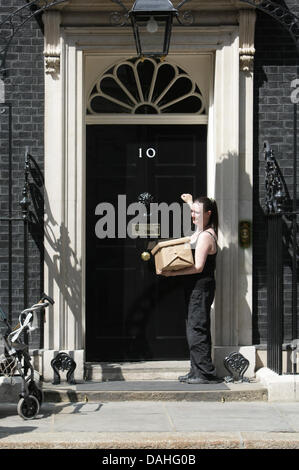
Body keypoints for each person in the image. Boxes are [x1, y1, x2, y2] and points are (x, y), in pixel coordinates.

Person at [158, 194, 222, 384]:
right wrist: (190, 203)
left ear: (208, 214)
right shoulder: (202, 231)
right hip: (195, 289)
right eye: (192, 212)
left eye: (196, 213)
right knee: (194, 328)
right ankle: (195, 370)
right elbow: (196, 227)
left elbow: (198, 267)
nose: (193, 215)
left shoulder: (205, 237)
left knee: (197, 329)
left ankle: (205, 373)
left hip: (200, 289)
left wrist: (171, 274)